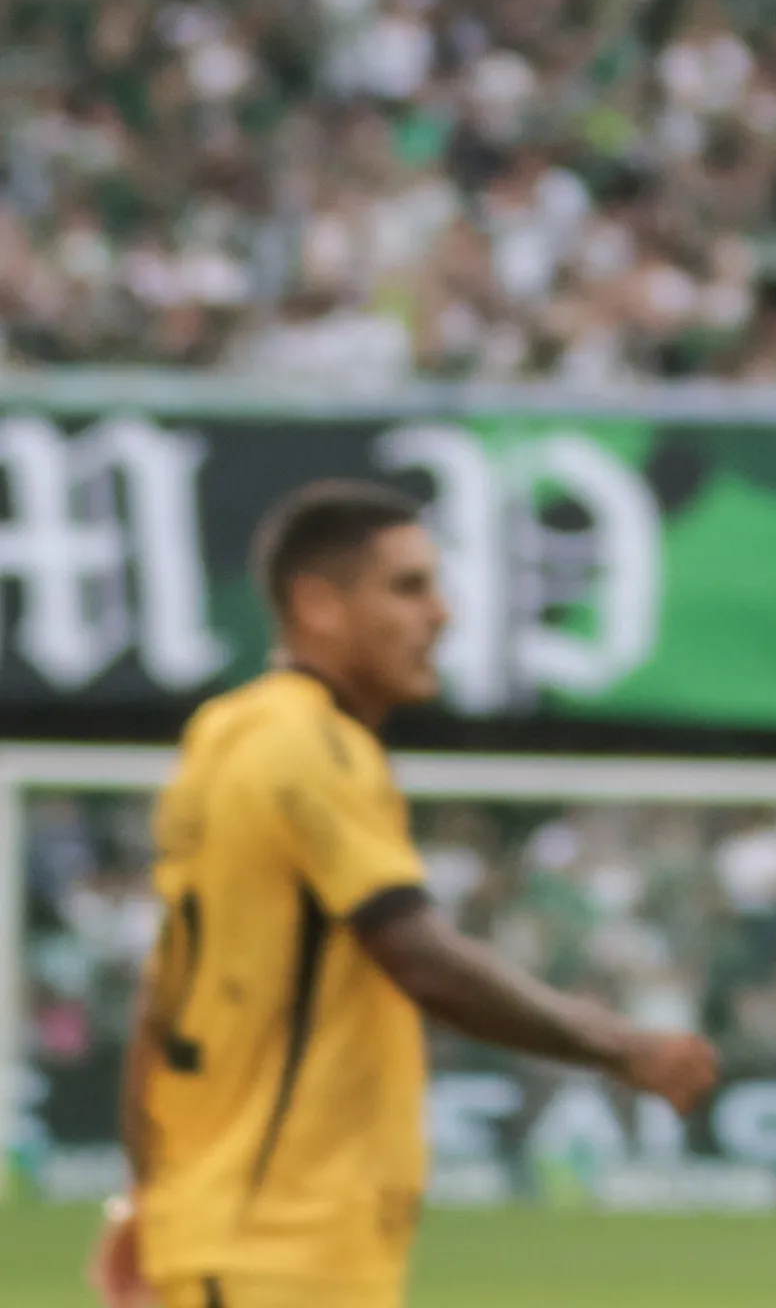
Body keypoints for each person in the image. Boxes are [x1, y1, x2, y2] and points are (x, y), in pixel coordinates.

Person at [90, 481, 717, 1308]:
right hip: (278, 1249)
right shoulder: (313, 746)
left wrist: (152, 1197)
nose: (441, 614)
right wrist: (622, 1045)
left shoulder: (226, 735)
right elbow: (421, 958)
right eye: (408, 587)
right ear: (317, 604)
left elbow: (165, 998)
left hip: (230, 1237)